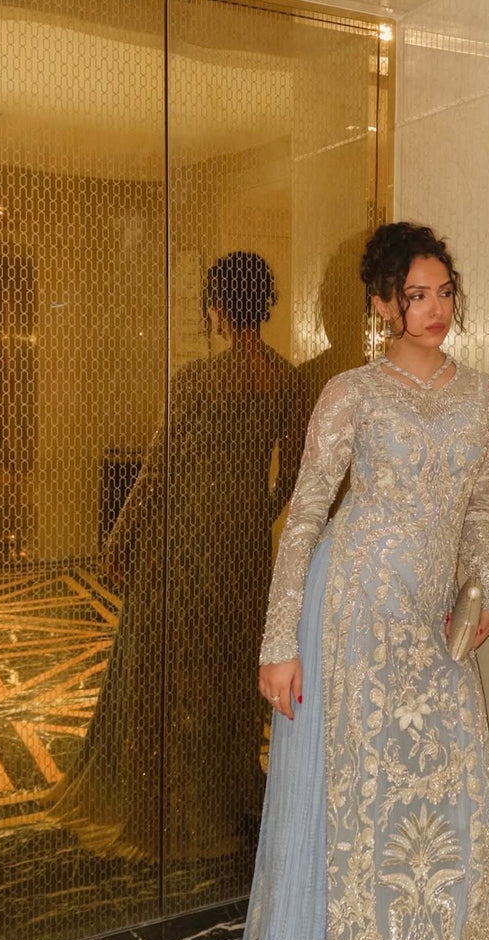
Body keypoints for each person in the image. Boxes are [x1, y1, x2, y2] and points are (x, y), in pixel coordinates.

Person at [189, 224, 489, 940]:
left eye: (445, 292)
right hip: (352, 608)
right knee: (357, 801)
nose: (435, 310)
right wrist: (279, 640)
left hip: (430, 623)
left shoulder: (483, 397)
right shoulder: (351, 393)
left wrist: (485, 593)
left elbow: (474, 514)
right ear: (382, 303)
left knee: (440, 793)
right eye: (417, 295)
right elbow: (305, 515)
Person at [47, 251, 304, 862]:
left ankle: (170, 802)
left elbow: (157, 471)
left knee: (169, 669)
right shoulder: (289, 381)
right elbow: (293, 477)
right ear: (264, 306)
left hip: (183, 538)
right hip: (243, 548)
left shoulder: (196, 380)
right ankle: (223, 793)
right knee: (227, 667)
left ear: (217, 309)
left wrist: (119, 539)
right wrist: (252, 515)